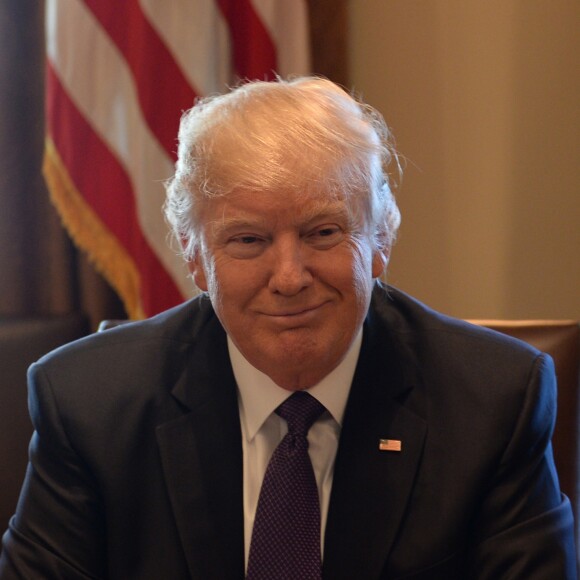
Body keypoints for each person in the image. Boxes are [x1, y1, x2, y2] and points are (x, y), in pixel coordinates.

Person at [0, 77, 576, 579]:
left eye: (323, 232)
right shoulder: (87, 404)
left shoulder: (492, 402)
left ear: (380, 239)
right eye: (248, 240)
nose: (289, 277)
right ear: (195, 256)